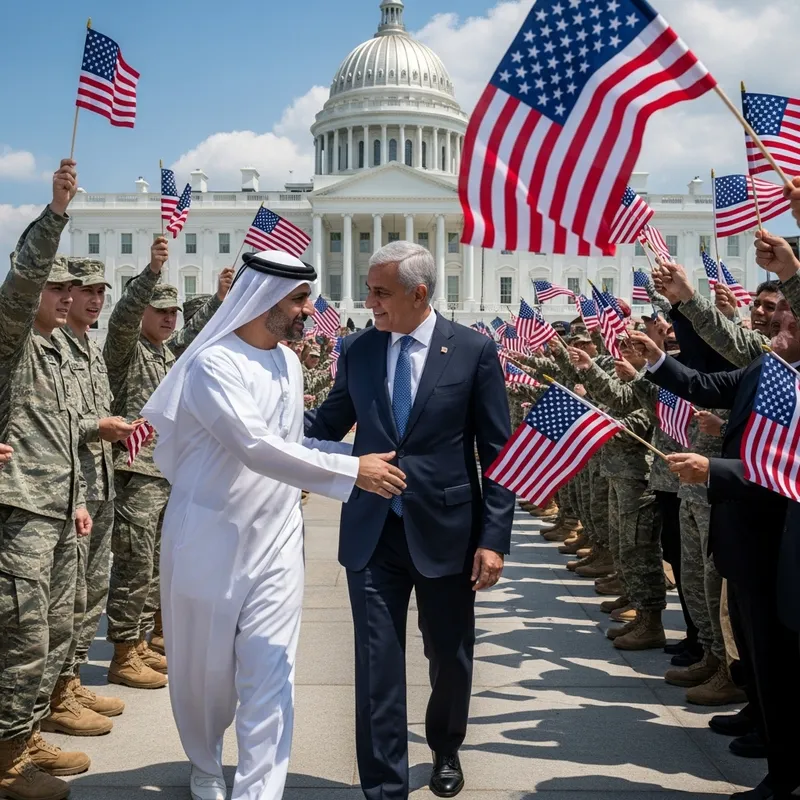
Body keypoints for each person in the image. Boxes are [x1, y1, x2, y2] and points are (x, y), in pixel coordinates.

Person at [142, 249, 405, 800]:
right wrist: (351, 469)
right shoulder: (212, 365)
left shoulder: (287, 361)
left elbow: (291, 444)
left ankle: (259, 790)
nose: (310, 309)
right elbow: (254, 446)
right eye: (300, 299)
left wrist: (362, 454)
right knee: (206, 677)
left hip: (279, 534)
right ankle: (206, 763)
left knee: (271, 670)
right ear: (265, 301)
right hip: (209, 537)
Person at [305, 241, 515, 800]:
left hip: (447, 532)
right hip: (372, 531)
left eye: (379, 292)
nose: (368, 300)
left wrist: (493, 539)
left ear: (418, 294)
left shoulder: (473, 351)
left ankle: (446, 745)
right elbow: (326, 422)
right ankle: (384, 785)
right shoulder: (358, 349)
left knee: (448, 654)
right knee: (376, 664)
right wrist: (252, 416)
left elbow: (500, 455)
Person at [633, 304, 800, 800]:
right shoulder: (767, 369)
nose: (777, 328)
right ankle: (776, 755)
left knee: (779, 666)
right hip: (744, 541)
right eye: (780, 319)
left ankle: (784, 771)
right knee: (759, 658)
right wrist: (658, 360)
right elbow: (708, 386)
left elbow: (787, 471)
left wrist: (715, 470)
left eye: (791, 323)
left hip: (777, 545)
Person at [0, 161, 96, 799]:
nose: (65, 297)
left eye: (72, 290)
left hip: (58, 509)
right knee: (23, 632)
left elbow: (66, 433)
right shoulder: (15, 338)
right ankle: (7, 761)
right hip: (20, 514)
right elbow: (23, 278)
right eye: (55, 287)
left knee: (54, 628)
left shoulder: (60, 349)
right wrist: (56, 212)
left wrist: (81, 500)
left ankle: (26, 734)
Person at [102, 243, 224, 690]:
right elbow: (121, 320)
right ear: (144, 312)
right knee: (134, 565)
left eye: (174, 312)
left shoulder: (164, 355)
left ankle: (139, 643)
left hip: (162, 475)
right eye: (162, 311)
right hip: (136, 476)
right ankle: (123, 651)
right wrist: (151, 273)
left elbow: (192, 339)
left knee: (155, 564)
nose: (170, 318)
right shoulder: (128, 350)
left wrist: (216, 303)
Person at [54, 257, 134, 728]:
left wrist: (117, 430)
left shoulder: (89, 346)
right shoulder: (56, 344)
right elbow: (59, 418)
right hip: (72, 485)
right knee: (70, 596)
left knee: (91, 590)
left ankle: (73, 680)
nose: (93, 299)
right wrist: (98, 427)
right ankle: (58, 691)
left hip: (100, 482)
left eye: (100, 291)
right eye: (86, 291)